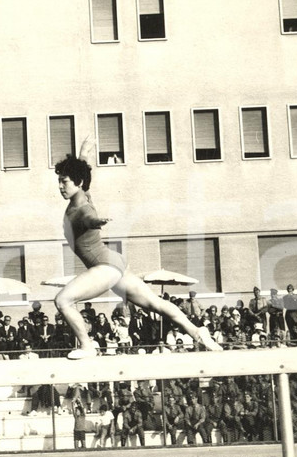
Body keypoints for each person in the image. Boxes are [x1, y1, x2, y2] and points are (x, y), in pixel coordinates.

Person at [53, 153, 220, 359]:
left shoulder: (82, 207)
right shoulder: (84, 193)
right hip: (114, 263)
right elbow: (82, 175)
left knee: (63, 300)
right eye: (59, 181)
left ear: (77, 182)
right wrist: (84, 154)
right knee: (154, 303)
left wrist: (95, 222)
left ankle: (87, 346)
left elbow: (87, 218)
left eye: (64, 181)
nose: (60, 186)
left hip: (104, 266)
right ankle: (196, 331)